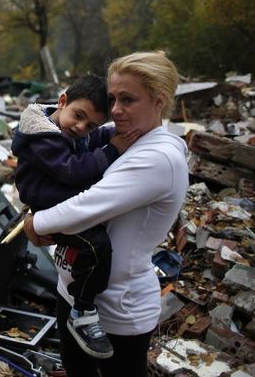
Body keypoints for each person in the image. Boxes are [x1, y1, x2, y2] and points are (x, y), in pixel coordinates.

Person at [23, 51, 189, 377]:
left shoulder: (159, 157)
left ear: (159, 101)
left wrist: (34, 222)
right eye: (113, 98)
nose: (115, 110)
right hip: (71, 291)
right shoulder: (125, 132)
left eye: (128, 99)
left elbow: (88, 203)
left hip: (116, 310)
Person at [12, 74, 139, 359]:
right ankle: (82, 310)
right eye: (78, 116)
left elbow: (92, 138)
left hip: (57, 200)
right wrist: (114, 148)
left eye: (91, 124)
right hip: (47, 205)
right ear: (62, 101)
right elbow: (72, 170)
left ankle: (80, 290)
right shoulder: (42, 138)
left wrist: (114, 133)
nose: (81, 128)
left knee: (94, 243)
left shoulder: (68, 128)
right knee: (97, 246)